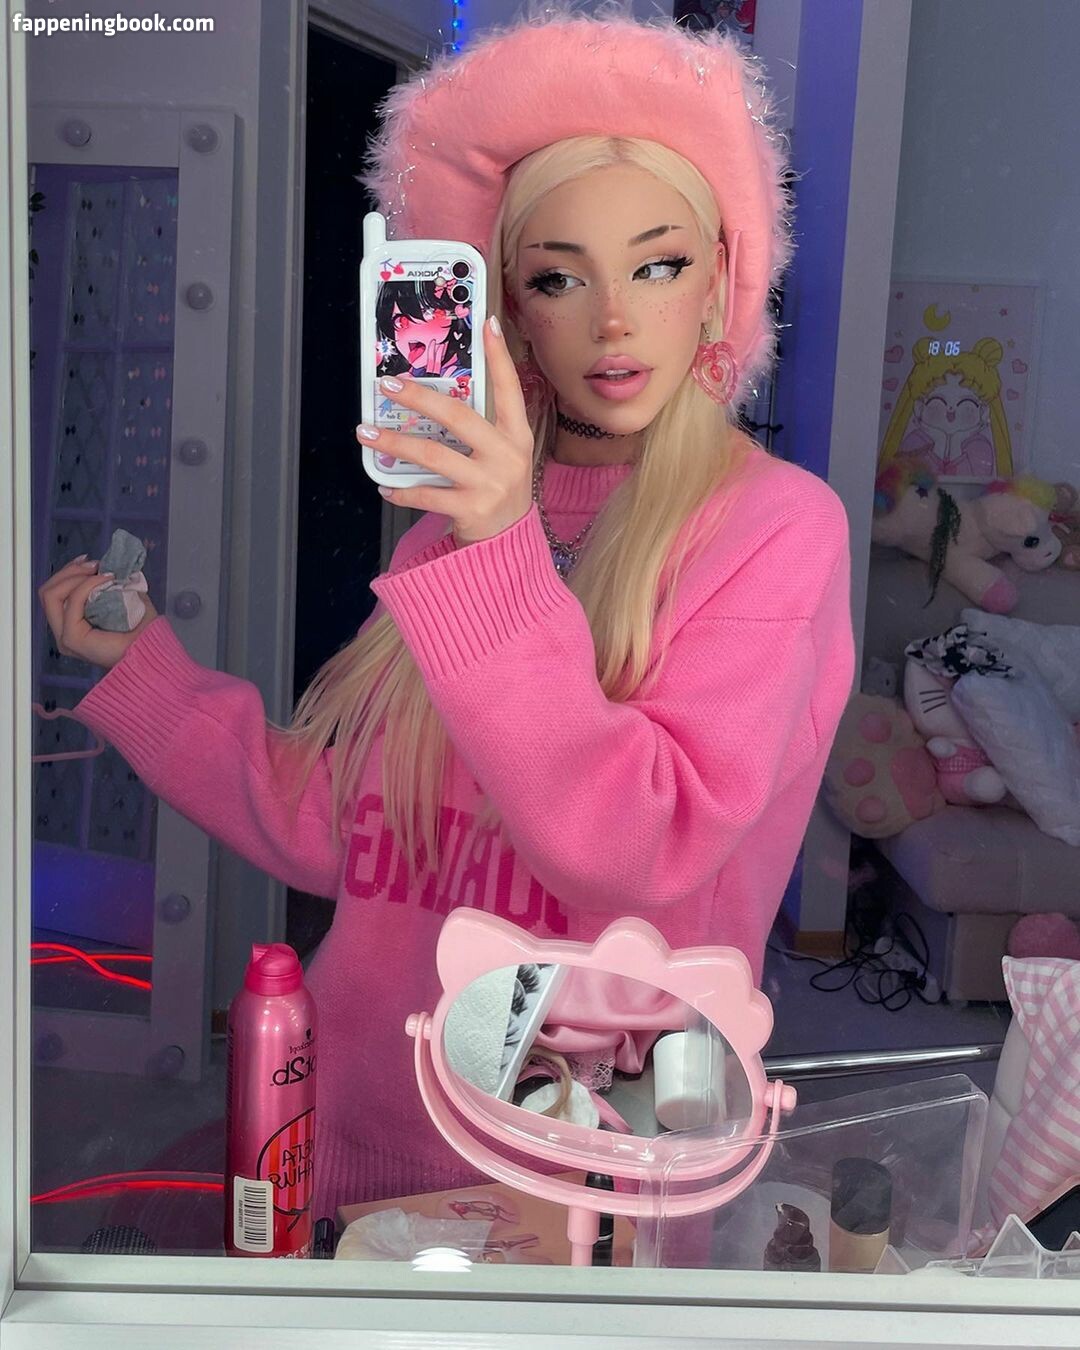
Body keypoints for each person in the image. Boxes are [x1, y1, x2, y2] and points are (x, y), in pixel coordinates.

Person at [37, 6, 854, 1219]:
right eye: (558, 276)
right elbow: (345, 830)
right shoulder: (456, 535)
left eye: (658, 264)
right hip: (354, 1136)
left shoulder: (776, 529)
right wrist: (144, 674)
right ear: (507, 308)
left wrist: (496, 546)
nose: (613, 318)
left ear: (720, 285)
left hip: (578, 1182)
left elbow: (640, 850)